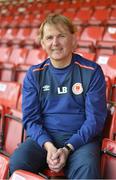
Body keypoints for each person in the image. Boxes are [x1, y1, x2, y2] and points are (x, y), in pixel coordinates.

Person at [10, 14, 107, 179]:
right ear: (42, 43)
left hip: (81, 140)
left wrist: (68, 148)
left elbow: (94, 120)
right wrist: (49, 146)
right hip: (44, 139)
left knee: (87, 169)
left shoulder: (92, 71)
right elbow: (31, 120)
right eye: (49, 38)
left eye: (61, 36)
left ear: (73, 40)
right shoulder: (34, 74)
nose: (55, 43)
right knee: (18, 162)